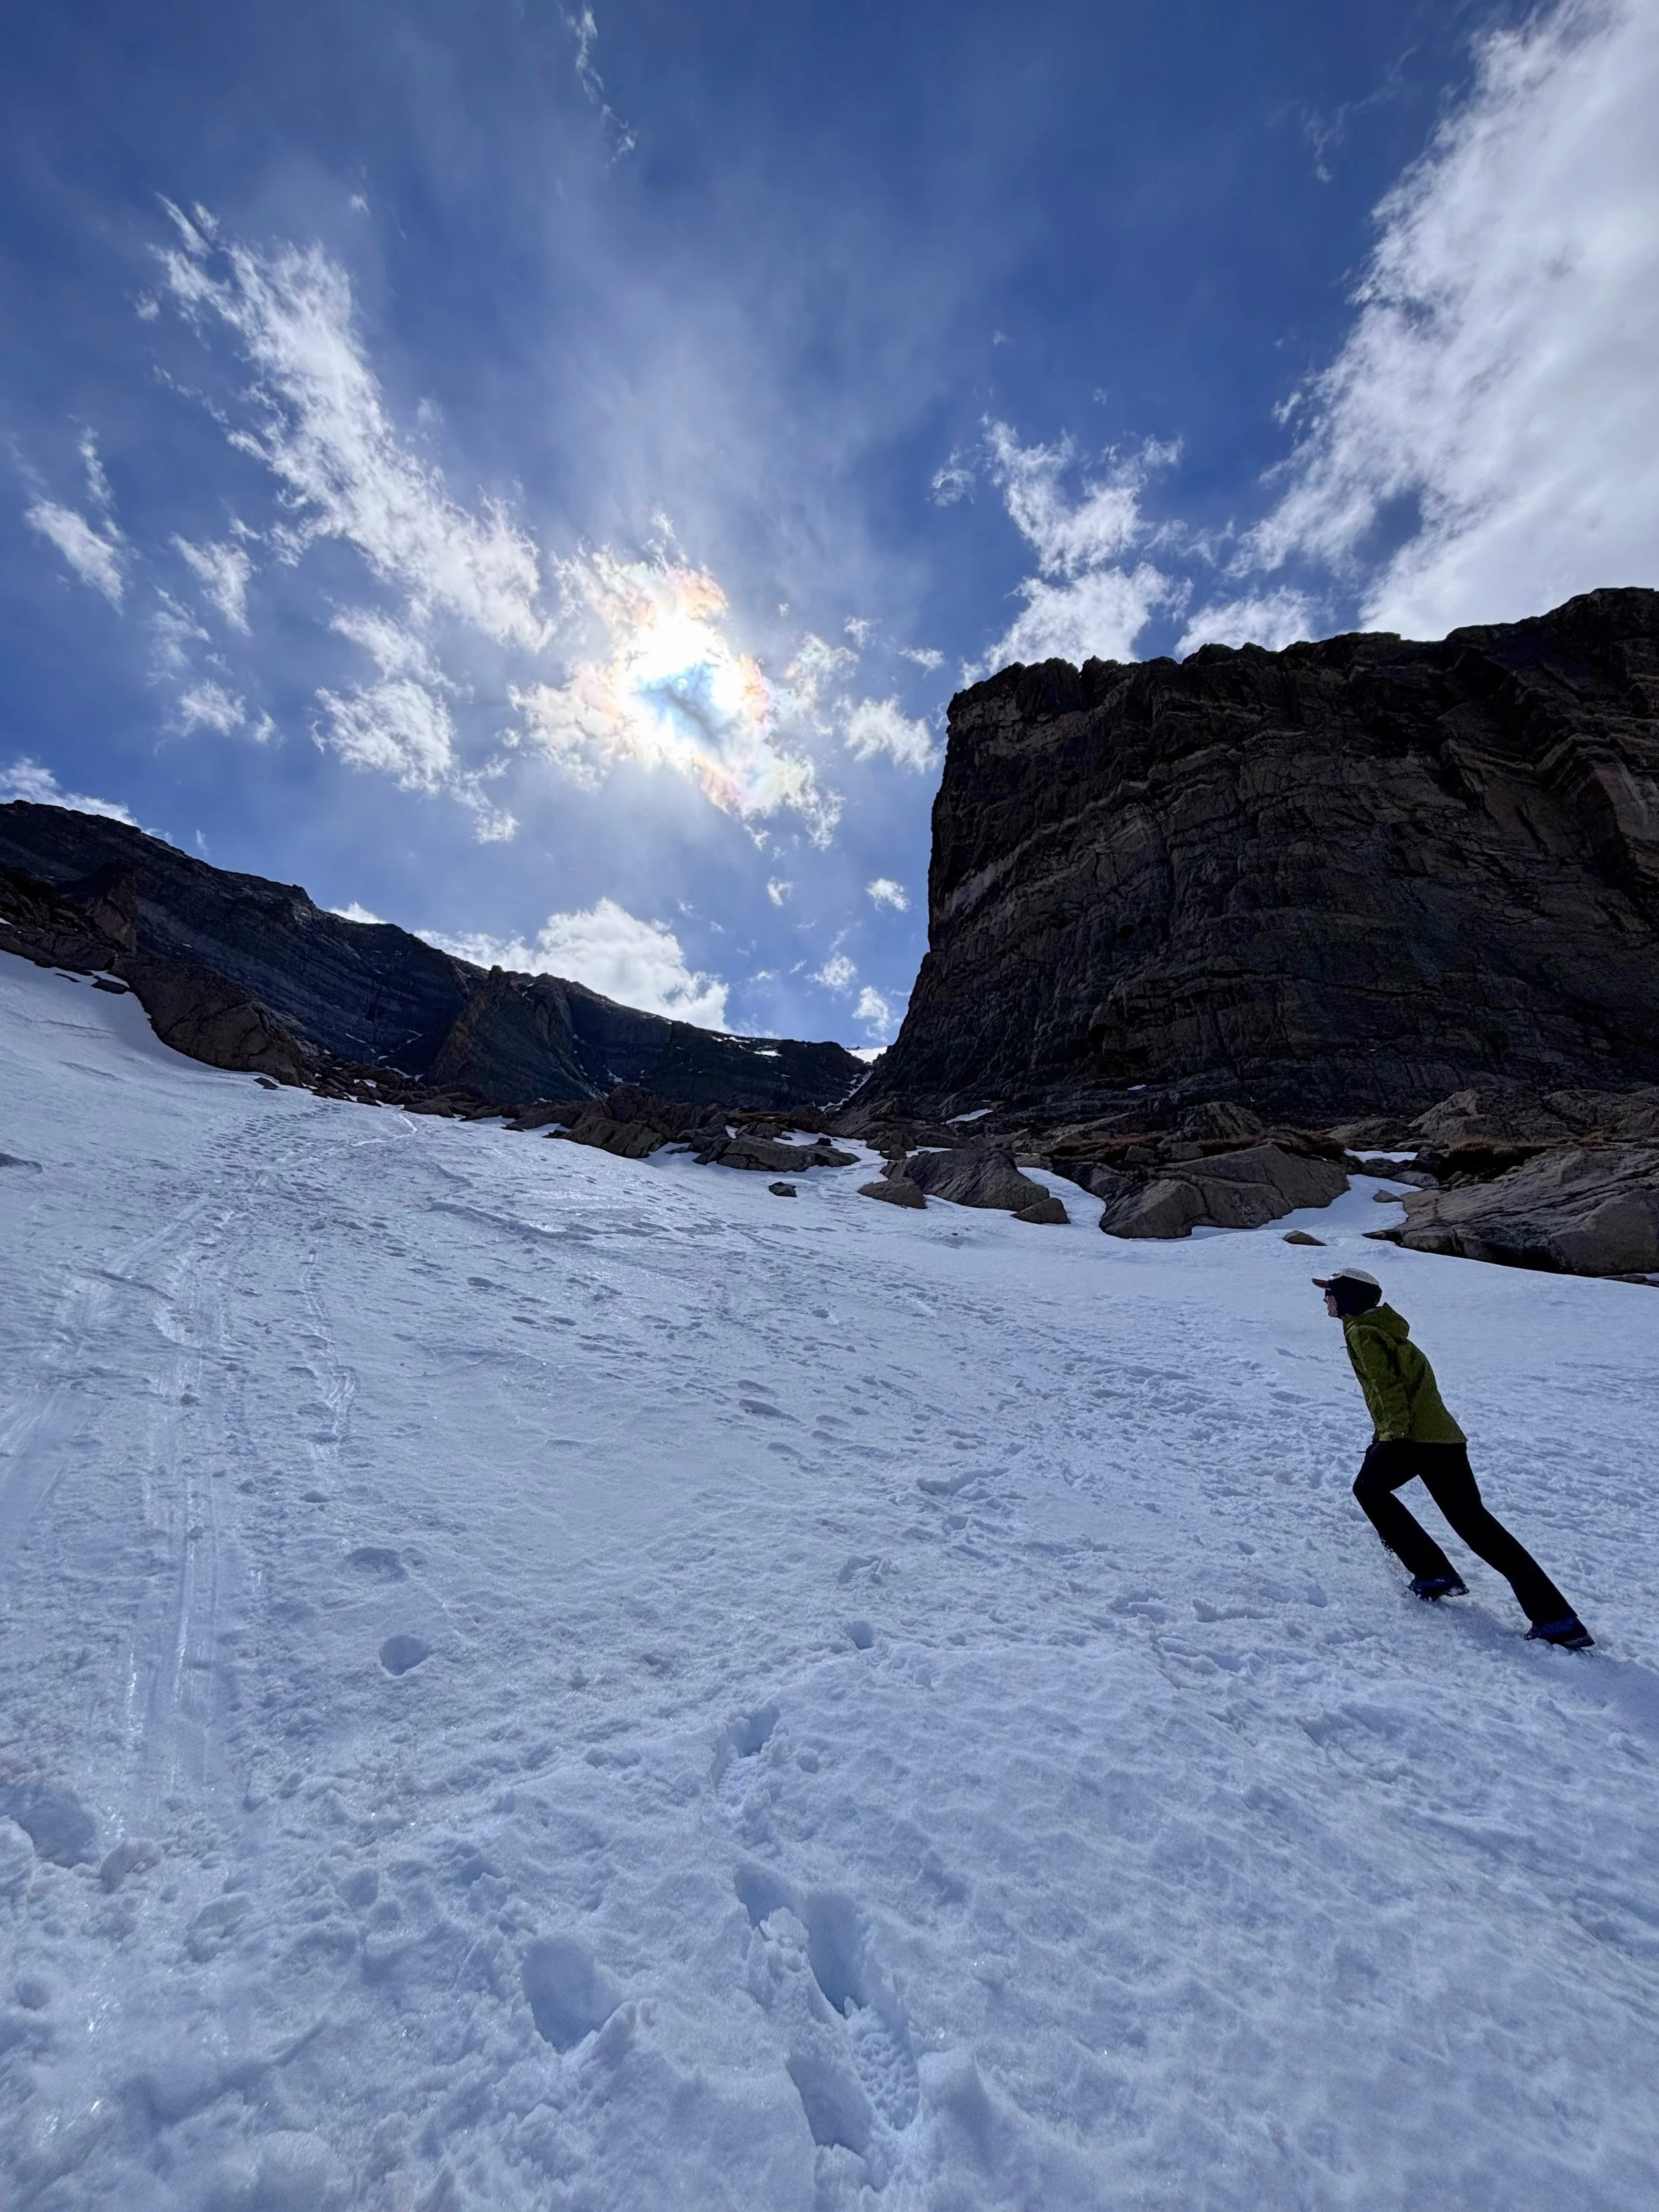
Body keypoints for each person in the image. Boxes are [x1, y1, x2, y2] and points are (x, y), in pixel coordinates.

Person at [1315, 1266, 1593, 1650]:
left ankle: (1433, 1572)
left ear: (1347, 1297)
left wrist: (1390, 1438)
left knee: (1368, 1489)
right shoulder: (1386, 1329)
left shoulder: (1363, 1333)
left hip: (1412, 1438)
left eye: (1329, 1292)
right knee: (1477, 1527)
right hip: (1443, 1439)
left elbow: (1387, 1391)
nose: (1324, 1300)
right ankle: (1558, 1620)